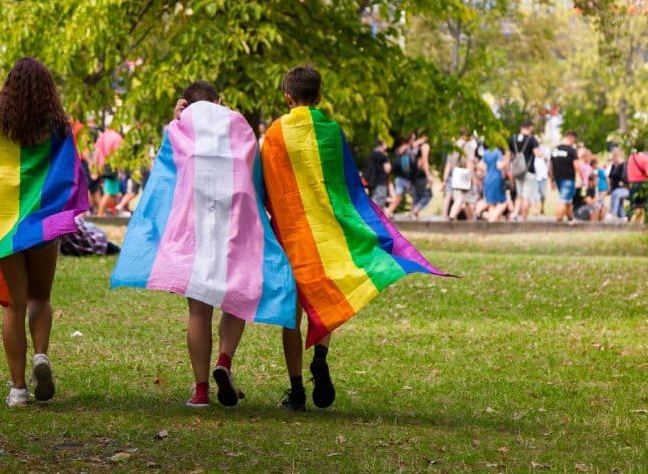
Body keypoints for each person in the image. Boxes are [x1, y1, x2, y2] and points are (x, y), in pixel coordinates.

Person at [258, 66, 451, 411]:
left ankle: (297, 389)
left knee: (293, 313)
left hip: (293, 235)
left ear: (287, 97)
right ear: (318, 96)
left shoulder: (275, 134)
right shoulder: (331, 131)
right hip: (330, 234)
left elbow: (268, 183)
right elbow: (345, 186)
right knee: (328, 293)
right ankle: (320, 354)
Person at [113, 81, 296, 408]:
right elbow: (253, 163)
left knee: (198, 310)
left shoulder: (180, 129)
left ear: (186, 103)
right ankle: (223, 361)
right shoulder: (238, 123)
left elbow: (166, 166)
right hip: (236, 216)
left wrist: (176, 118)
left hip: (195, 218)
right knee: (236, 294)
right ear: (219, 100)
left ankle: (200, 391)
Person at [0, 57, 89, 408]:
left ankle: (18, 389)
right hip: (44, 226)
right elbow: (70, 174)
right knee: (40, 299)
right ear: (48, 90)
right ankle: (41, 356)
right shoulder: (60, 130)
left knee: (14, 306)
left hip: (6, 230)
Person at [508, 120, 540, 221]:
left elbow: (508, 155)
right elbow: (537, 153)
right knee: (526, 196)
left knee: (519, 194)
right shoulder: (532, 139)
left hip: (517, 171)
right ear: (530, 128)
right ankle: (523, 218)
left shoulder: (512, 139)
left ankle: (515, 214)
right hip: (528, 170)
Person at [550, 132, 582, 223]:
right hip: (568, 179)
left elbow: (551, 165)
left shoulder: (555, 149)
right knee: (564, 200)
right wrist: (580, 177)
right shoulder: (571, 150)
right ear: (571, 138)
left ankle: (571, 219)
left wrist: (552, 179)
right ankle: (558, 220)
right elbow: (576, 165)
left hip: (557, 178)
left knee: (568, 200)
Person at [93, 125, 124, 216]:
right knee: (110, 192)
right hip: (112, 165)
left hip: (103, 165)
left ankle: (108, 213)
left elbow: (97, 151)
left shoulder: (102, 136)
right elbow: (118, 154)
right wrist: (120, 169)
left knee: (112, 191)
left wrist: (96, 166)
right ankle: (100, 214)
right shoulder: (117, 137)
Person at [480, 139, 508, 222]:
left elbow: (481, 166)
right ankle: (492, 220)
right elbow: (499, 166)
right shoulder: (498, 152)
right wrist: (505, 161)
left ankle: (493, 222)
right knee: (503, 203)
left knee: (492, 204)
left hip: (488, 178)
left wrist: (489, 168)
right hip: (496, 179)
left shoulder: (485, 153)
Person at [365, 139, 393, 214]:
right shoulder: (383, 156)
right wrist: (387, 159)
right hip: (381, 182)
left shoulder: (371, 154)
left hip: (371, 182)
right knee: (377, 202)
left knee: (376, 201)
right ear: (382, 144)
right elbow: (387, 169)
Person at [626, 147, 648, 222]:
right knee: (645, 205)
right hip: (642, 184)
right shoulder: (645, 159)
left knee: (633, 205)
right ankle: (647, 221)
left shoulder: (631, 157)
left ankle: (630, 222)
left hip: (632, 184)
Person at [608, 148, 630, 220]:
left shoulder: (624, 165)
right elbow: (610, 176)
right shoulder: (614, 166)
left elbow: (625, 178)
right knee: (620, 204)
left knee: (616, 194)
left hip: (623, 189)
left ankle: (612, 213)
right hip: (614, 188)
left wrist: (623, 183)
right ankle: (623, 217)